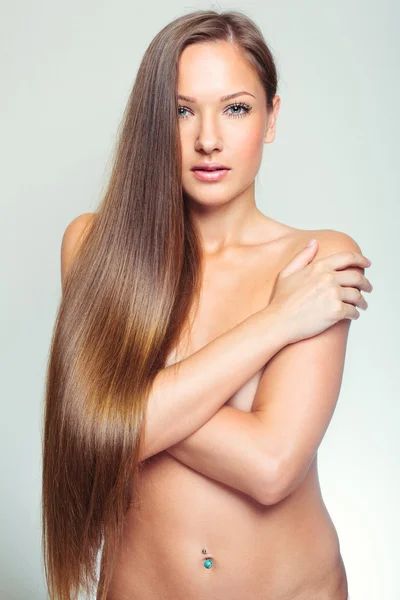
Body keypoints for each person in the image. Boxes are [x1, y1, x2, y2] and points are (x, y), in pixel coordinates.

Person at [42, 9, 372, 600]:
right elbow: (92, 431)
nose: (208, 138)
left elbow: (271, 467)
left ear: (271, 118)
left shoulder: (316, 261)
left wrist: (125, 402)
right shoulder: (96, 248)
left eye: (236, 107)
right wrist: (276, 323)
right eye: (182, 109)